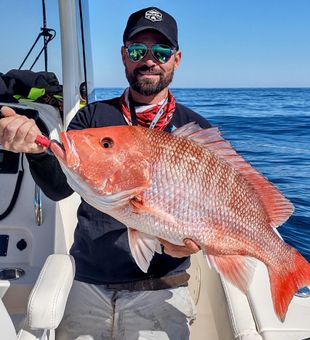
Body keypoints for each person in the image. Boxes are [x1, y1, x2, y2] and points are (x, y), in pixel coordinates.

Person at [0, 7, 212, 340]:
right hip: (88, 281)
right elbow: (59, 190)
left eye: (161, 51)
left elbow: (209, 217)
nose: (149, 60)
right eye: (138, 50)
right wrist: (38, 152)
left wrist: (190, 244)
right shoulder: (93, 118)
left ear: (176, 58)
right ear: (125, 56)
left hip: (162, 286)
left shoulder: (195, 130)